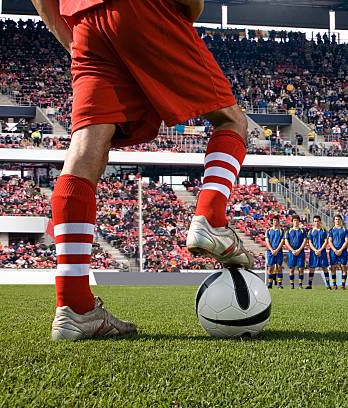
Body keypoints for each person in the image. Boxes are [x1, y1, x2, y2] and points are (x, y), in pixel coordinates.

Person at [32, 0, 253, 340]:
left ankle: (74, 307)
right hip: (143, 8)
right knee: (231, 119)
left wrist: (71, 36)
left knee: (85, 148)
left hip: (84, 22)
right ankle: (211, 218)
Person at [306, 215, 330, 289]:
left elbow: (326, 242)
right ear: (313, 222)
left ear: (320, 222)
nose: (316, 223)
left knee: (324, 268)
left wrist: (320, 250)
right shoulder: (311, 231)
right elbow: (310, 242)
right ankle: (309, 285)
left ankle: (328, 285)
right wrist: (315, 250)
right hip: (313, 253)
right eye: (315, 221)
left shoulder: (324, 231)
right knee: (312, 268)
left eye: (317, 221)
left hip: (322, 252)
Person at [284, 215, 306, 289]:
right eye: (294, 220)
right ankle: (292, 285)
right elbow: (286, 242)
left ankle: (300, 285)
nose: (296, 222)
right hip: (291, 252)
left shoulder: (302, 231)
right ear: (292, 222)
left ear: (299, 222)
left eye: (297, 220)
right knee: (291, 268)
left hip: (300, 252)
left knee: (301, 268)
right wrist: (292, 250)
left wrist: (299, 250)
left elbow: (305, 241)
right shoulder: (289, 231)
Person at [328, 214, 348, 290]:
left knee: (343, 267)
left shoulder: (345, 230)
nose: (337, 221)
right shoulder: (331, 230)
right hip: (333, 251)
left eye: (339, 219)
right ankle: (334, 284)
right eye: (336, 219)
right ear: (334, 221)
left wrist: (340, 250)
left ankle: (343, 285)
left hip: (343, 251)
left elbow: (346, 241)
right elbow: (330, 241)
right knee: (333, 267)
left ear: (341, 220)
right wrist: (335, 250)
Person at [265, 216, 284, 289]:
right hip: (270, 252)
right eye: (274, 220)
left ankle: (280, 284)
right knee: (271, 268)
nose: (275, 222)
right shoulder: (268, 230)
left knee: (279, 267)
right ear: (272, 222)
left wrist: (276, 250)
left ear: (278, 222)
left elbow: (282, 241)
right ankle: (270, 284)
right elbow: (267, 241)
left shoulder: (281, 231)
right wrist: (272, 250)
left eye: (276, 220)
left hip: (279, 251)